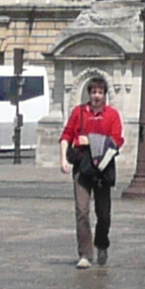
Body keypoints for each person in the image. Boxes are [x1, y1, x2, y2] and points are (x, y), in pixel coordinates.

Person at [63, 73, 124, 269]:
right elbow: (66, 135)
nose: (97, 96)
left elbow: (117, 140)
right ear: (88, 94)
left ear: (105, 95)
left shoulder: (112, 115)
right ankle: (85, 254)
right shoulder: (79, 112)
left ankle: (102, 243)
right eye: (93, 92)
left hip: (103, 169)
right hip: (82, 166)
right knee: (82, 211)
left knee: (103, 214)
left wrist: (90, 140)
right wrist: (62, 158)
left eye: (100, 92)